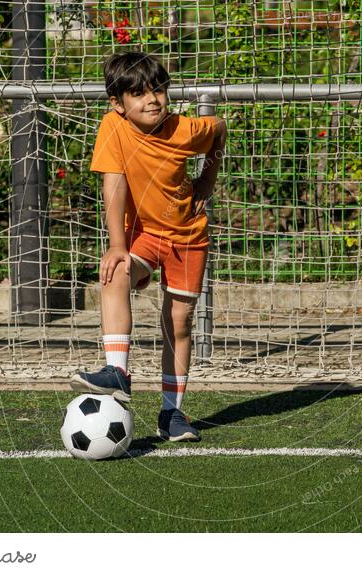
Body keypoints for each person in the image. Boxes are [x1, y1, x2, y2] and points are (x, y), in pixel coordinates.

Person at [71, 52, 226, 442]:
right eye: (138, 93)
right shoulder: (113, 127)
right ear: (117, 104)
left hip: (188, 236)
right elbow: (114, 183)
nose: (152, 99)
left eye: (158, 89)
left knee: (179, 322)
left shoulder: (185, 129)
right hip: (144, 235)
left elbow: (219, 128)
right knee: (115, 271)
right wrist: (117, 245)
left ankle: (172, 413)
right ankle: (117, 372)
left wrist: (208, 177)